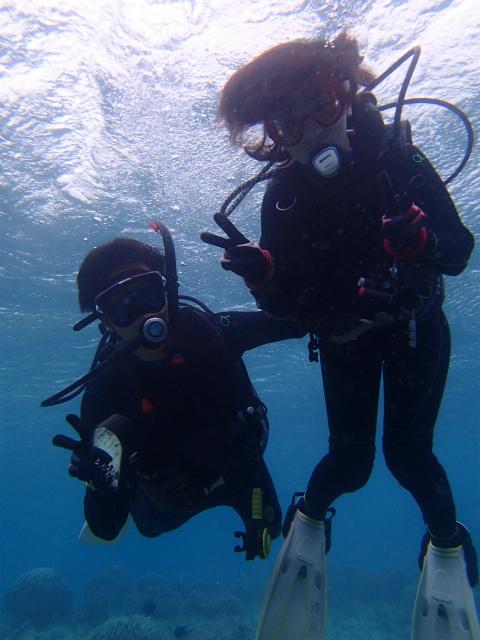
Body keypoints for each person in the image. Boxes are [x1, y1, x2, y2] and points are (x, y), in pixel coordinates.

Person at [202, 32, 478, 638]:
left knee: (410, 455)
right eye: (289, 126)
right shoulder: (283, 197)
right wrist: (263, 279)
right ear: (274, 137)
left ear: (346, 96)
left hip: (414, 329)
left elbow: (459, 250)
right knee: (350, 463)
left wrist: (422, 242)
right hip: (344, 339)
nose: (312, 135)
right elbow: (291, 311)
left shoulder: (398, 161)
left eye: (322, 107)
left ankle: (446, 546)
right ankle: (308, 521)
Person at [49, 226, 306, 561]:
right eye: (119, 304)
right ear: (106, 322)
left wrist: (267, 280)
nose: (142, 312)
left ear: (168, 290)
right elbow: (106, 528)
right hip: (167, 499)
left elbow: (298, 322)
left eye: (148, 291)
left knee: (268, 530)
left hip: (239, 470)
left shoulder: (213, 332)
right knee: (150, 527)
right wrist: (100, 485)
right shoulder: (106, 389)